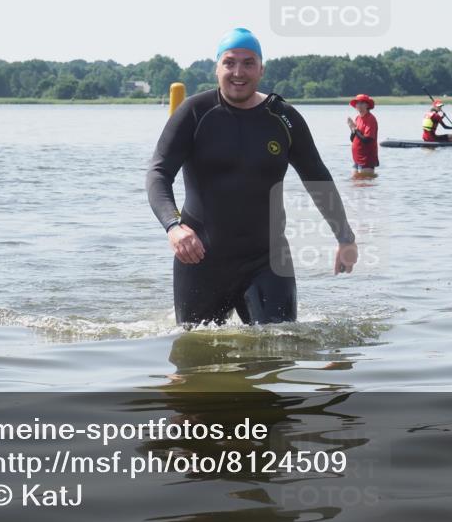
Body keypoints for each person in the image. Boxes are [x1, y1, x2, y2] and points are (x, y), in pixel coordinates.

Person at [147, 27, 358, 327]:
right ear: (217, 68)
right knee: (195, 349)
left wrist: (345, 238)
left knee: (280, 346)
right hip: (201, 258)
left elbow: (318, 179)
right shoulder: (195, 113)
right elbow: (158, 173)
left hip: (267, 260)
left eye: (248, 63)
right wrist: (174, 227)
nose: (238, 72)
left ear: (261, 69)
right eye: (230, 63)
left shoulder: (283, 118)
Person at [346, 93, 378, 172]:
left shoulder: (371, 119)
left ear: (367, 105)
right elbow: (352, 139)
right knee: (354, 179)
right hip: (356, 159)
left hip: (367, 160)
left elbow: (367, 140)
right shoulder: (358, 118)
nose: (359, 105)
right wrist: (352, 128)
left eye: (362, 103)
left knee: (366, 180)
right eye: (357, 103)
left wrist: (355, 129)